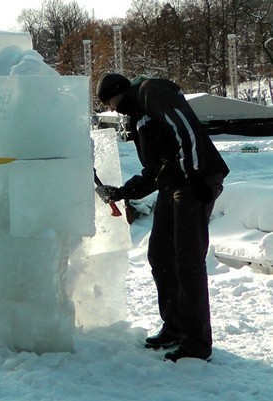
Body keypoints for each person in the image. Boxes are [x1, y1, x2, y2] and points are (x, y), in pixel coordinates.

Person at [95, 73, 230, 362]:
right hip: (176, 184)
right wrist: (123, 192)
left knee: (187, 261)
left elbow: (186, 131)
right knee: (160, 255)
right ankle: (176, 326)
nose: (112, 108)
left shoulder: (150, 92)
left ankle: (196, 344)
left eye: (110, 101)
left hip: (196, 179)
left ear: (119, 92)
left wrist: (195, 176)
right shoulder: (138, 117)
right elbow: (154, 171)